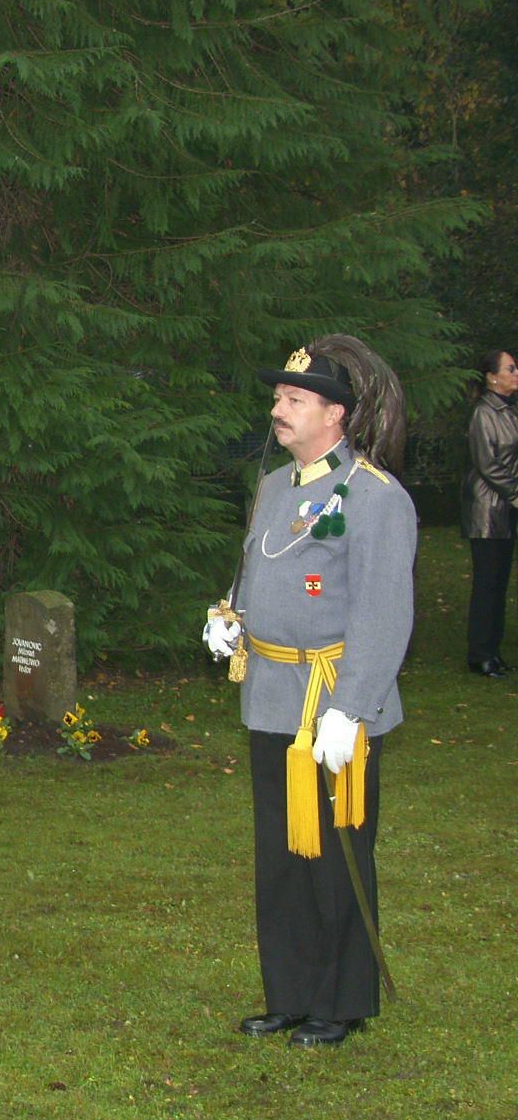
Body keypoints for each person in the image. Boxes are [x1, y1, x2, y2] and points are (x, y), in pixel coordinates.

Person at [204, 336, 414, 1048]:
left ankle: (341, 1001)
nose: (278, 409)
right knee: (282, 857)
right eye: (278, 397)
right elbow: (261, 570)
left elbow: (384, 614)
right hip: (272, 698)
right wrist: (230, 617)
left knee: (335, 857)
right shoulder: (273, 487)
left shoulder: (376, 498)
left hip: (332, 704)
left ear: (336, 415)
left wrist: (351, 709)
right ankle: (290, 994)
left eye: (294, 399)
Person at [459, 349, 518, 678]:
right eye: (510, 369)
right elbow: (488, 464)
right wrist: (516, 493)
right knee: (487, 583)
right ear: (492, 377)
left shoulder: (509, 410)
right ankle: (479, 654)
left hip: (506, 509)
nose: (516, 374)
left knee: (499, 583)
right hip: (487, 510)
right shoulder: (484, 413)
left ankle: (493, 652)